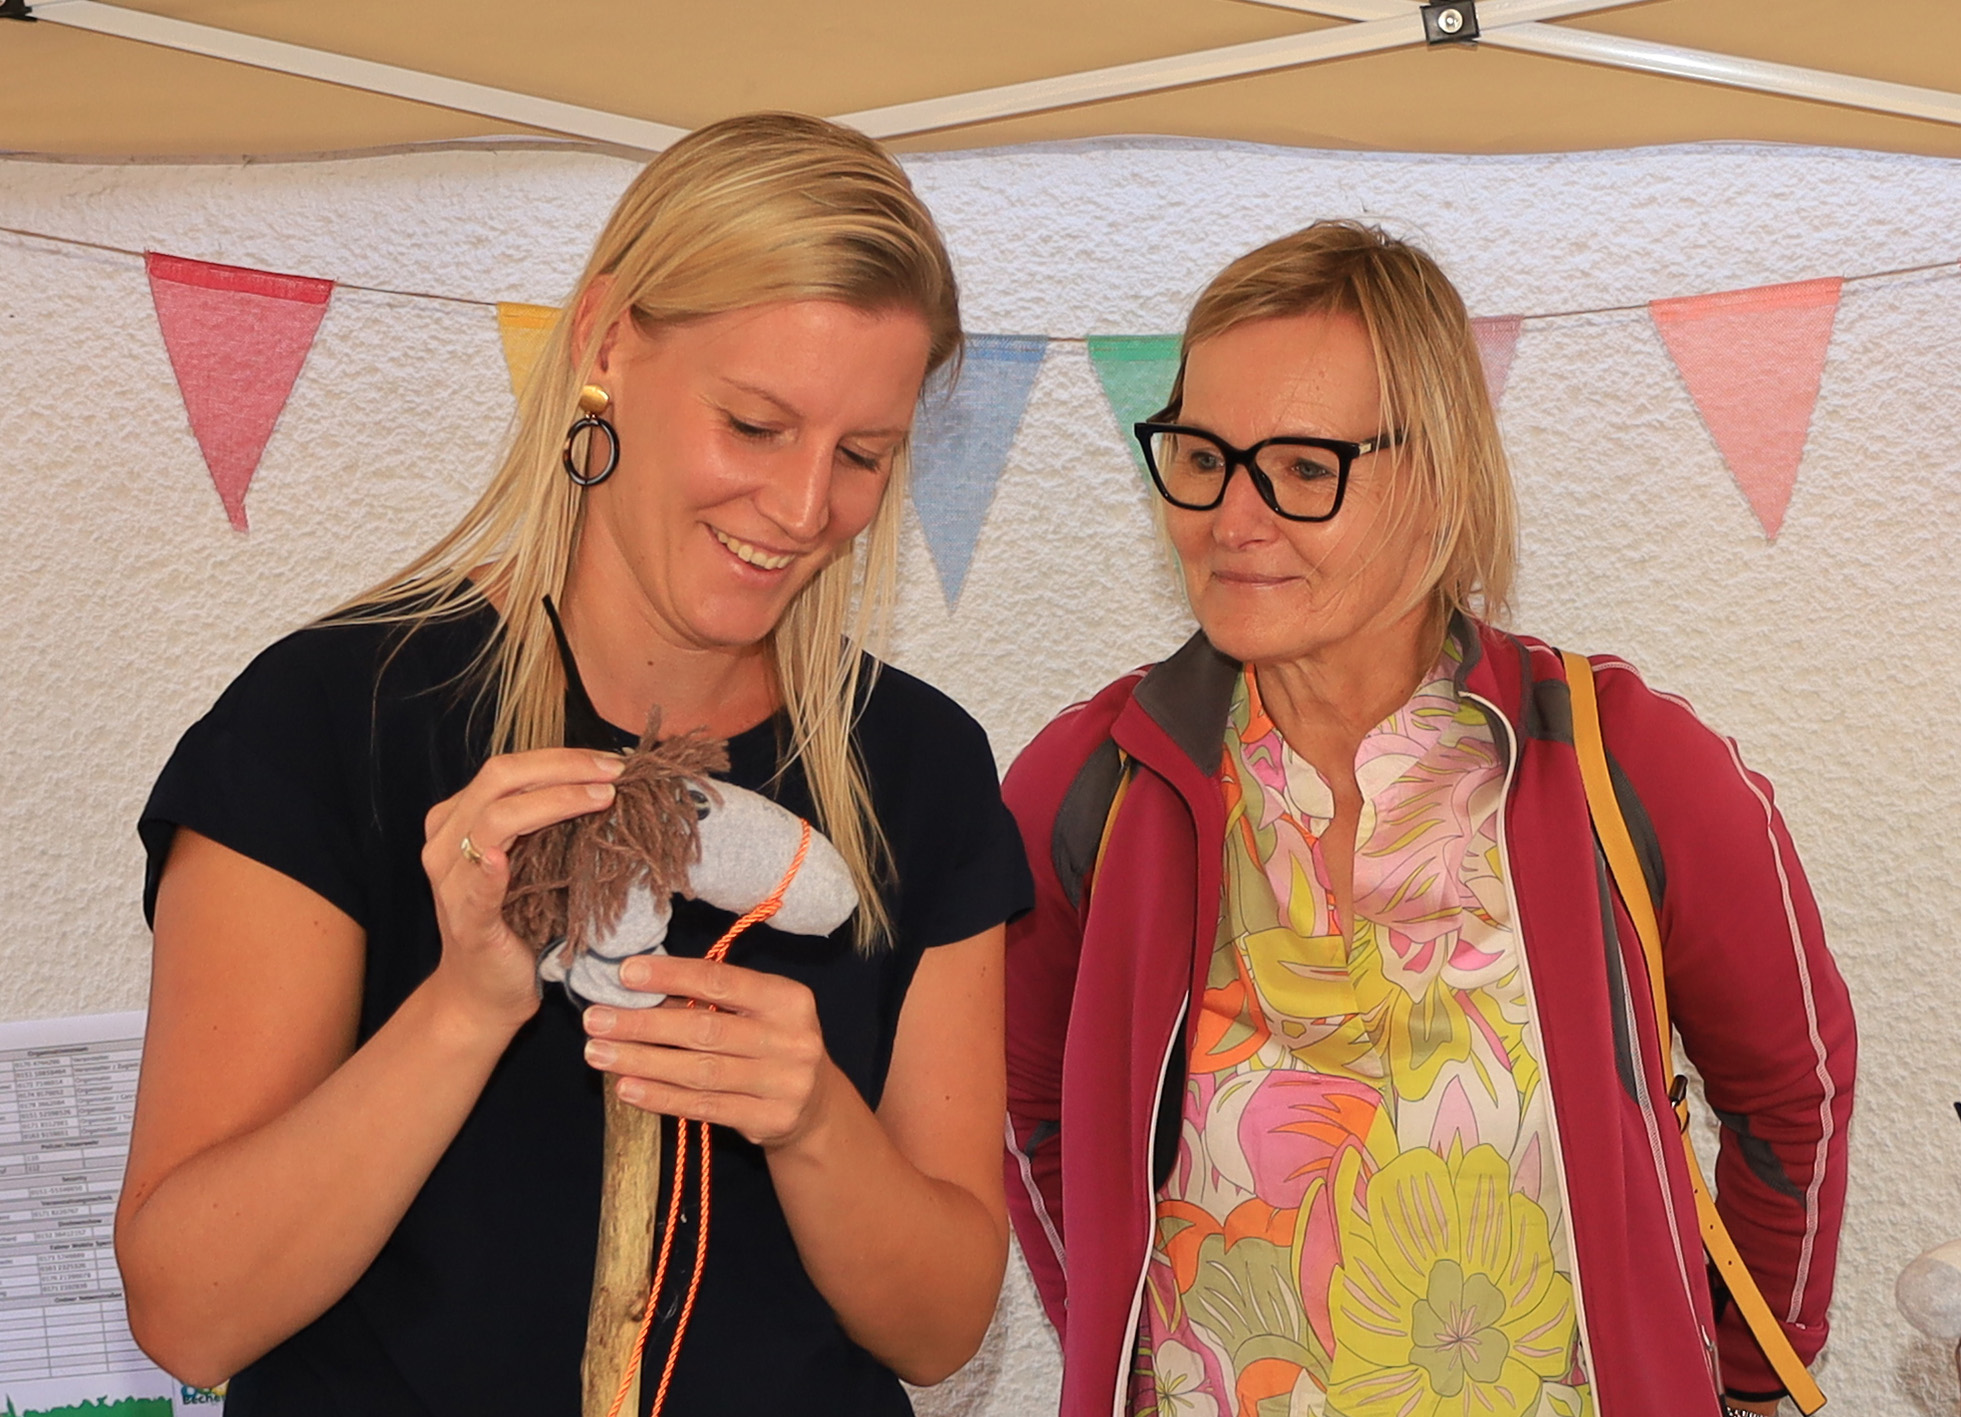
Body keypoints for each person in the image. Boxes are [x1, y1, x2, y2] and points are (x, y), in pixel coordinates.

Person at [118, 112, 1032, 1417]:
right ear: (605, 342)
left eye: (861, 455)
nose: (801, 509)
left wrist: (814, 1120)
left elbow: (940, 1330)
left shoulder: (921, 765)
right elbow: (189, 1312)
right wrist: (463, 1006)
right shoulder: (332, 719)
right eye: (754, 425)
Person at [1001, 221, 1854, 1417]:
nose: (1231, 519)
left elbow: (1790, 1099)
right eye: (1200, 456)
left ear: (1439, 477)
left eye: (1302, 468)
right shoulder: (1088, 787)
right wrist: (1114, 1335)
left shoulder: (1627, 766)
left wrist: (1744, 1382)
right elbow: (1028, 1118)